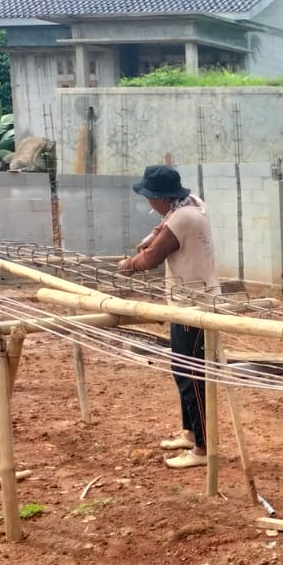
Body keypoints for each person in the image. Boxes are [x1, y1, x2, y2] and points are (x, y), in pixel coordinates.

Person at [117, 165, 221, 470]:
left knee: (192, 375)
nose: (149, 203)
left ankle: (202, 448)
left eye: (150, 197)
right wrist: (151, 236)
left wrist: (128, 264)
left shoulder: (182, 218)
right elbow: (163, 229)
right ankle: (191, 433)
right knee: (181, 369)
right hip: (187, 301)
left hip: (194, 306)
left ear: (160, 197)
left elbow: (150, 260)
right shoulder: (192, 204)